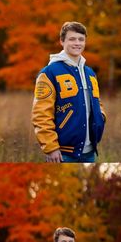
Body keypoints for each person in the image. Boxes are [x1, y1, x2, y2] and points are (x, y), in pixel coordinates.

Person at [32, 21, 106, 163]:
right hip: (62, 153)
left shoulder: (90, 72)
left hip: (90, 152)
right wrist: (51, 147)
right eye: (72, 39)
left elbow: (97, 102)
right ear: (62, 41)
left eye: (81, 39)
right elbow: (40, 114)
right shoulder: (49, 72)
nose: (77, 43)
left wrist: (101, 118)